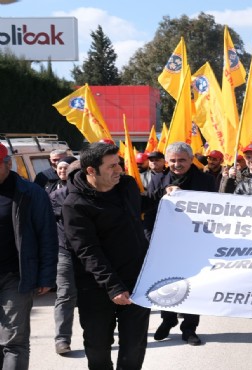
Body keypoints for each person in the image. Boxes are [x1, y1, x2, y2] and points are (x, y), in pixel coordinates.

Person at [61, 142, 150, 369]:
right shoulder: (75, 204)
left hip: (136, 281)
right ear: (91, 170)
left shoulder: (127, 186)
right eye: (111, 166)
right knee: (98, 346)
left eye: (118, 164)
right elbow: (87, 250)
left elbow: (146, 204)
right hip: (97, 288)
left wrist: (171, 196)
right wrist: (113, 286)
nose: (119, 169)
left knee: (134, 345)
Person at [146, 142, 216, 346]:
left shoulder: (206, 180)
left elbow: (214, 211)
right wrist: (149, 238)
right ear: (167, 161)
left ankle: (189, 327)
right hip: (164, 242)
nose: (177, 164)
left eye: (182, 160)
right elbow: (150, 209)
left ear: (190, 159)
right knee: (166, 283)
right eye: (173, 160)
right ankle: (167, 320)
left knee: (192, 285)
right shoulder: (158, 179)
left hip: (194, 242)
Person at [0, 142, 58, 369]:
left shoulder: (30, 193)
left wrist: (46, 276)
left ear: (7, 163)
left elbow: (47, 235)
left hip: (17, 276)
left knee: (14, 341)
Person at [49, 160, 80, 355]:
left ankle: (99, 334)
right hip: (66, 253)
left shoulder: (100, 194)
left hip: (93, 253)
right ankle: (62, 339)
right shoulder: (56, 197)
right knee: (66, 294)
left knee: (95, 295)